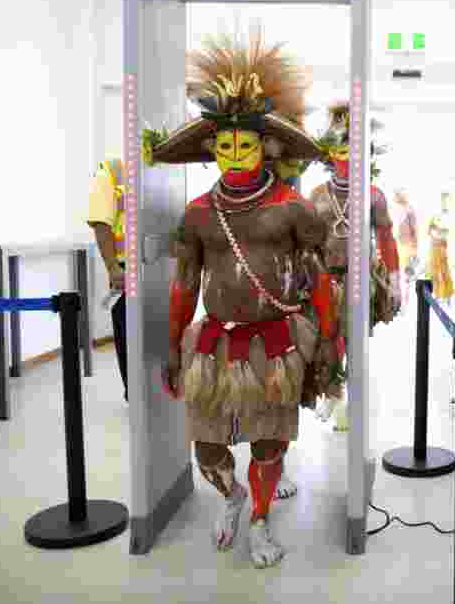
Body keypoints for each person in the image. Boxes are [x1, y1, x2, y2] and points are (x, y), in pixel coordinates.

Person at [152, 29, 338, 569]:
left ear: (268, 148)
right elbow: (186, 283)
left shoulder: (292, 208)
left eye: (247, 145)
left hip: (276, 343)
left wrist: (327, 341)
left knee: (268, 444)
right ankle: (232, 497)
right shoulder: (197, 214)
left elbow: (319, 277)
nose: (236, 156)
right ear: (213, 150)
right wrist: (172, 345)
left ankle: (258, 517)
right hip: (214, 343)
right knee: (207, 449)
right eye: (226, 146)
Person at [309, 102, 402, 428]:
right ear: (329, 154)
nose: (347, 156)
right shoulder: (316, 195)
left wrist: (394, 281)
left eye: (355, 149)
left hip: (362, 280)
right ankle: (332, 391)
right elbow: (306, 245)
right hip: (324, 279)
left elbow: (387, 238)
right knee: (328, 337)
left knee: (354, 340)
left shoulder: (374, 195)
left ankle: (349, 400)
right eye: (341, 148)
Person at [86, 154, 129, 402]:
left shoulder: (163, 166)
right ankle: (133, 391)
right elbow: (101, 223)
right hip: (126, 271)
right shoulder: (112, 171)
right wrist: (113, 267)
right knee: (128, 333)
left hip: (161, 268)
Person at [427, 192, 455, 305]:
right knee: (435, 272)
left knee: (444, 272)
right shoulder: (436, 216)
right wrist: (438, 233)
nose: (444, 203)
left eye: (446, 200)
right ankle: (439, 295)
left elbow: (446, 232)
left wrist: (440, 233)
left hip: (442, 248)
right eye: (443, 200)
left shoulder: (448, 216)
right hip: (435, 247)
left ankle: (447, 296)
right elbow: (431, 231)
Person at [393, 188, 418, 308]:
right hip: (396, 246)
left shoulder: (409, 210)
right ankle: (398, 302)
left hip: (406, 247)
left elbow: (414, 231)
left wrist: (415, 249)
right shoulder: (393, 209)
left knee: (405, 276)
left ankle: (404, 303)